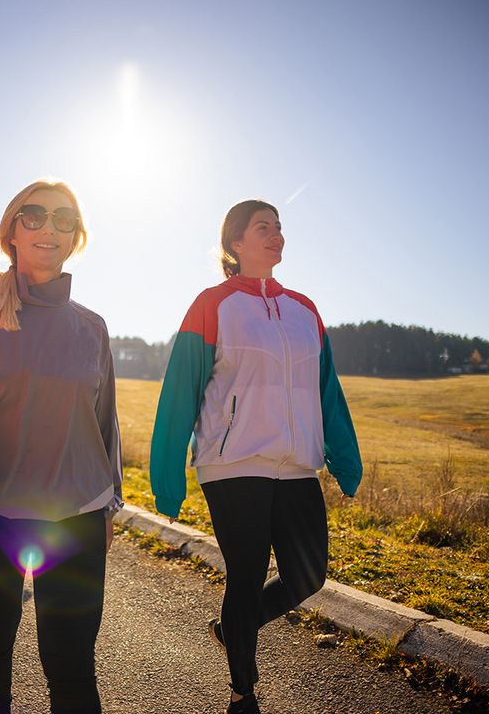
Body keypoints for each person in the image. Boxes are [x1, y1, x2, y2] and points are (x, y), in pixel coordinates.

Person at [149, 199, 363, 714]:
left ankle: (233, 627)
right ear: (235, 243)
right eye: (263, 227)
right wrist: (168, 475)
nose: (276, 235)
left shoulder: (304, 310)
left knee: (309, 576)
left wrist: (344, 456)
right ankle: (243, 690)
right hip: (233, 464)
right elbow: (181, 389)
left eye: (280, 227)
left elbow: (326, 389)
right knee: (245, 574)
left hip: (296, 466)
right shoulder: (213, 304)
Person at [0, 179, 122, 714]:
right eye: (34, 215)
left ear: (76, 237)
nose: (49, 228)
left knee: (73, 660)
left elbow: (104, 425)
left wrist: (110, 503)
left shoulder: (93, 328)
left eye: (64, 219)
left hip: (78, 514)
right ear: (11, 230)